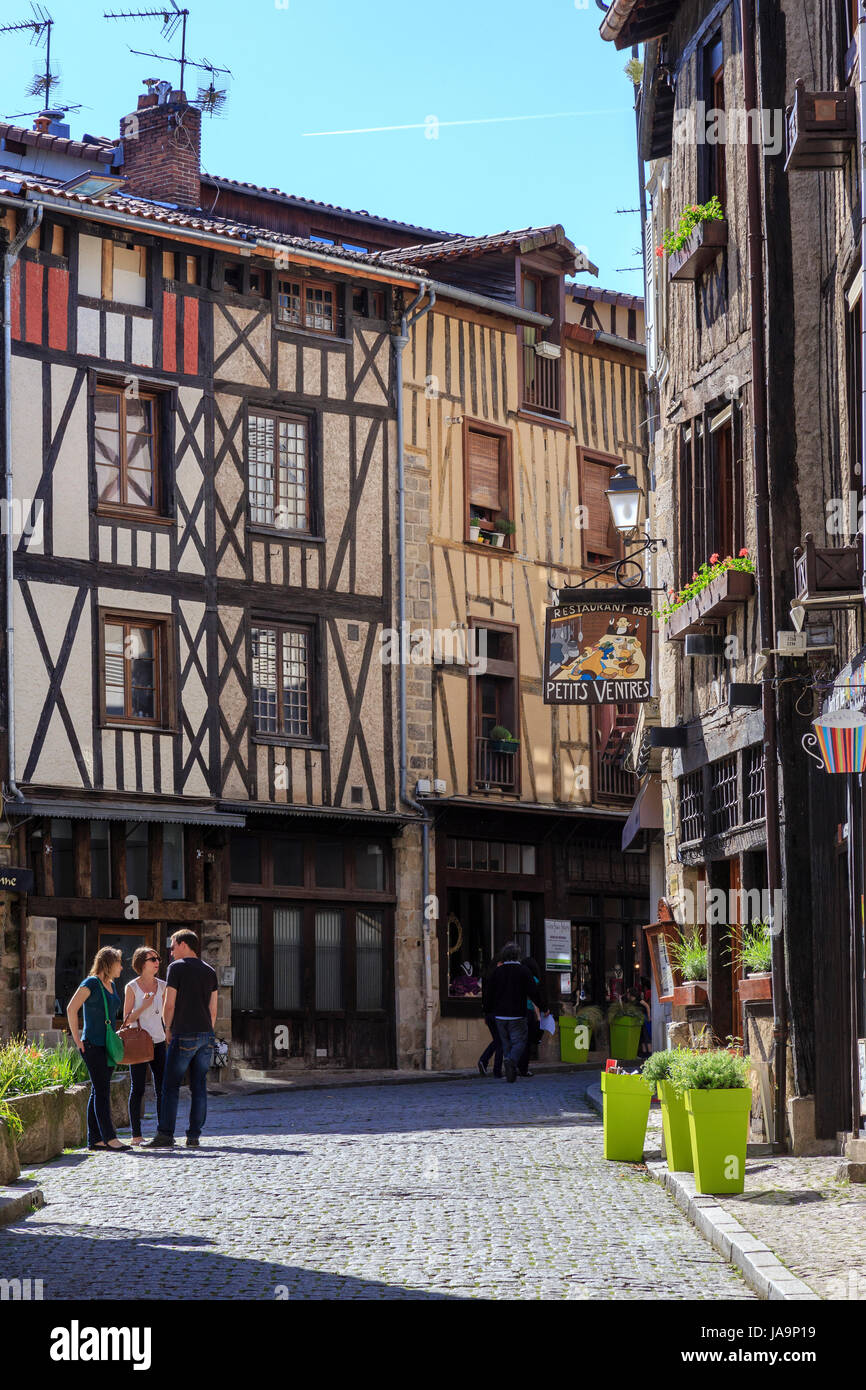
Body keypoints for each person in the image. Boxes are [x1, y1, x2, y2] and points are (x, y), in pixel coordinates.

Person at [147, 929, 218, 1149]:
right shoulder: (210, 971)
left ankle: (166, 1134)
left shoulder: (176, 968)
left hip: (183, 1032)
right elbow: (213, 1008)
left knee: (170, 1085)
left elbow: (170, 1003)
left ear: (184, 944)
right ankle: (194, 1135)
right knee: (199, 1086)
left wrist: (168, 1028)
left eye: (173, 945)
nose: (170, 951)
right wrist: (207, 1032)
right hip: (206, 1034)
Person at [66, 946, 130, 1152]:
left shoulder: (110, 984)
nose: (121, 966)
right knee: (102, 1091)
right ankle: (110, 1138)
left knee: (98, 1090)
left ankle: (94, 1139)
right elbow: (71, 1008)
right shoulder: (92, 983)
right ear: (109, 963)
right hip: (93, 1045)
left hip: (107, 1045)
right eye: (119, 962)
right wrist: (77, 1039)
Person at [485, 942, 549, 1083]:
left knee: (506, 1043)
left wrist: (488, 1011)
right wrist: (543, 1007)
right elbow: (534, 992)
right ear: (517, 955)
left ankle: (510, 1071)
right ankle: (511, 1061)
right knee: (520, 1041)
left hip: (500, 1014)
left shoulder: (497, 971)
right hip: (517, 1014)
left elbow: (489, 993)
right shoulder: (524, 971)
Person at [124, 946, 167, 1146]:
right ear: (141, 963)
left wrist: (170, 1031)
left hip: (159, 1042)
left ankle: (163, 1132)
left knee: (162, 1088)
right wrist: (144, 1005)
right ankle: (136, 1135)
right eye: (152, 959)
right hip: (139, 1042)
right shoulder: (132, 987)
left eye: (157, 958)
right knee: (138, 1088)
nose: (157, 962)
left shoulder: (164, 986)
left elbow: (168, 1013)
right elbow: (126, 1020)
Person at [517, 956, 548, 1078]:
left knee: (519, 1041)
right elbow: (535, 997)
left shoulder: (519, 978)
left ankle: (517, 1065)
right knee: (527, 1042)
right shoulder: (533, 979)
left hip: (518, 1011)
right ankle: (523, 1068)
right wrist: (541, 1013)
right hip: (529, 1011)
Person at [477, 964, 504, 1078]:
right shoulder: (499, 978)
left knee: (498, 1040)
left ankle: (484, 1061)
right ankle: (496, 1070)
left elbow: (485, 999)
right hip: (497, 1013)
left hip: (489, 1013)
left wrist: (485, 1013)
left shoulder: (488, 978)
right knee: (500, 1041)